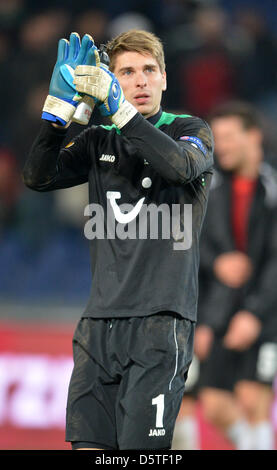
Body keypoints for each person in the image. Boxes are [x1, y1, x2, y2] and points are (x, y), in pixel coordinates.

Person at [23, 29, 213, 450]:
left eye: (149, 70)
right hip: (98, 326)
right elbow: (38, 177)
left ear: (165, 77)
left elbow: (180, 168)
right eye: (126, 72)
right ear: (109, 79)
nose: (140, 80)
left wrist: (119, 110)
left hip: (161, 326)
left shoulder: (190, 130)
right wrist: (57, 115)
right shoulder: (97, 140)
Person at [194, 101, 277, 450]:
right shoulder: (211, 190)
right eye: (217, 139)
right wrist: (207, 323)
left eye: (229, 137)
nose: (222, 146)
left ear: (253, 136)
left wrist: (255, 315)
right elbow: (196, 250)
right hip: (223, 310)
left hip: (268, 311)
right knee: (213, 404)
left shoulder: (271, 190)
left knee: (250, 397)